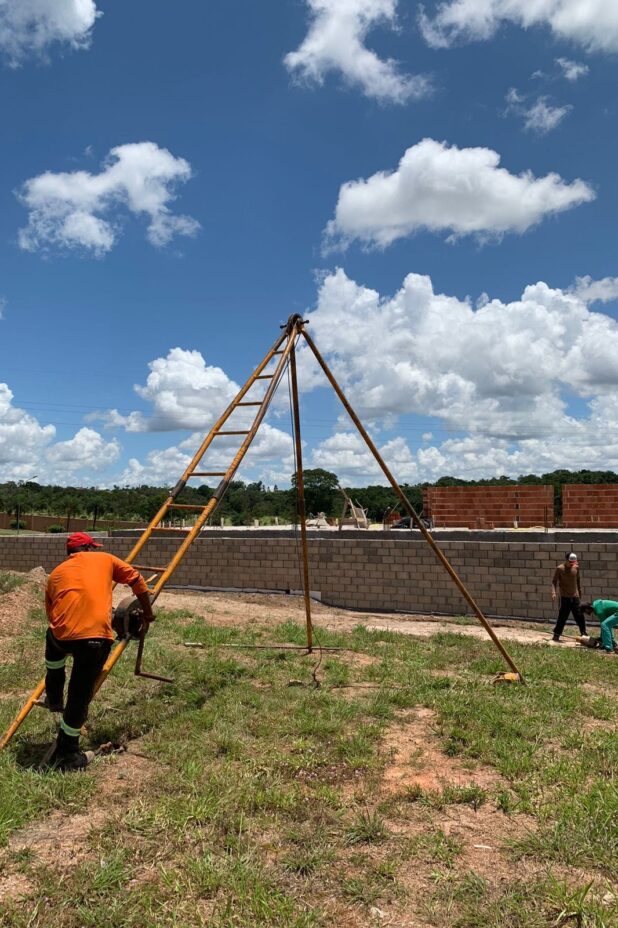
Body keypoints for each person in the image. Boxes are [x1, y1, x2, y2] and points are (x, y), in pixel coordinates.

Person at [42, 532, 153, 771]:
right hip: (93, 640)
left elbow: (51, 613)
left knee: (54, 655)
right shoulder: (105, 559)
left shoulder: (56, 574)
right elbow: (136, 579)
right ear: (89, 548)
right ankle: (68, 754)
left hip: (61, 636)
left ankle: (53, 695)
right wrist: (147, 613)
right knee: (79, 694)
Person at [551, 552, 586, 641]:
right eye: (570, 562)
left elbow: (578, 581)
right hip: (565, 597)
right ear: (566, 560)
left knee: (579, 616)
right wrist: (553, 592)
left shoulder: (576, 568)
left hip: (575, 596)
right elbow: (554, 581)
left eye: (573, 563)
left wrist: (580, 592)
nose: (572, 564)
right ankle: (557, 634)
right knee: (563, 616)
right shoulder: (560, 568)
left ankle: (584, 633)